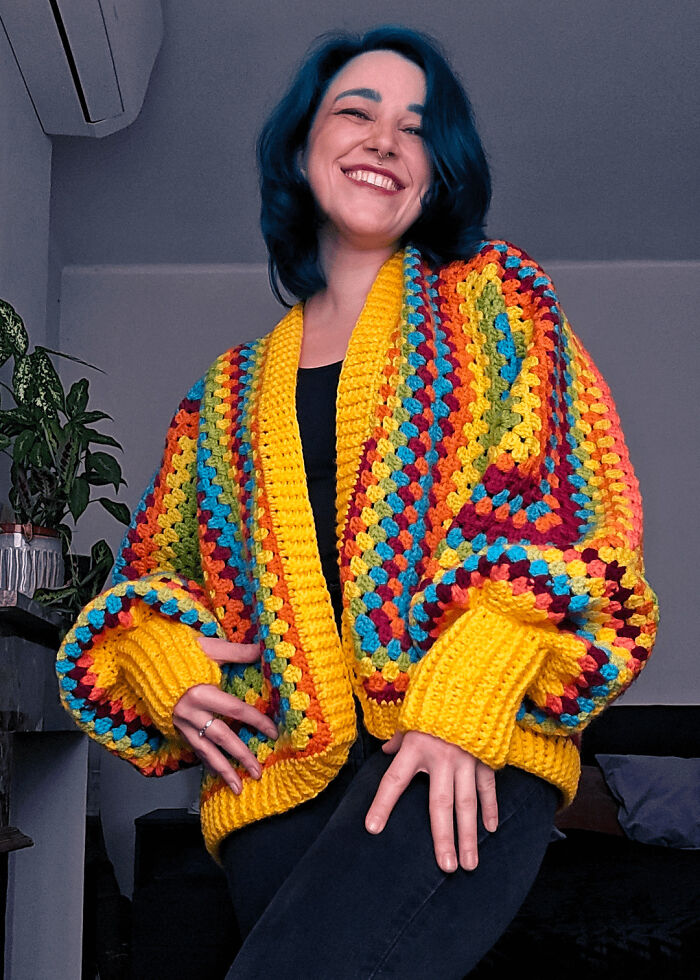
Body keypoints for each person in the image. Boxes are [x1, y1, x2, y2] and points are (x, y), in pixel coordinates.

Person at [56, 25, 658, 979]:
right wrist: (167, 662)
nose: (385, 139)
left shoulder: (496, 304)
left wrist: (463, 696)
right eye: (357, 111)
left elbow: (581, 528)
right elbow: (151, 580)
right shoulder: (225, 394)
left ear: (438, 170)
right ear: (302, 146)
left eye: (417, 127)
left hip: (457, 746)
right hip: (269, 789)